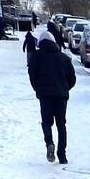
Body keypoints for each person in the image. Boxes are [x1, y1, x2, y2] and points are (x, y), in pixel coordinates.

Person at [28, 36, 76, 164]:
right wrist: (64, 88)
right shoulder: (64, 58)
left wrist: (38, 89)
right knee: (61, 124)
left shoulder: (36, 56)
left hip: (45, 95)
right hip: (61, 96)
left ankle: (49, 143)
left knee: (46, 122)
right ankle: (62, 155)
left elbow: (32, 75)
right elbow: (72, 79)